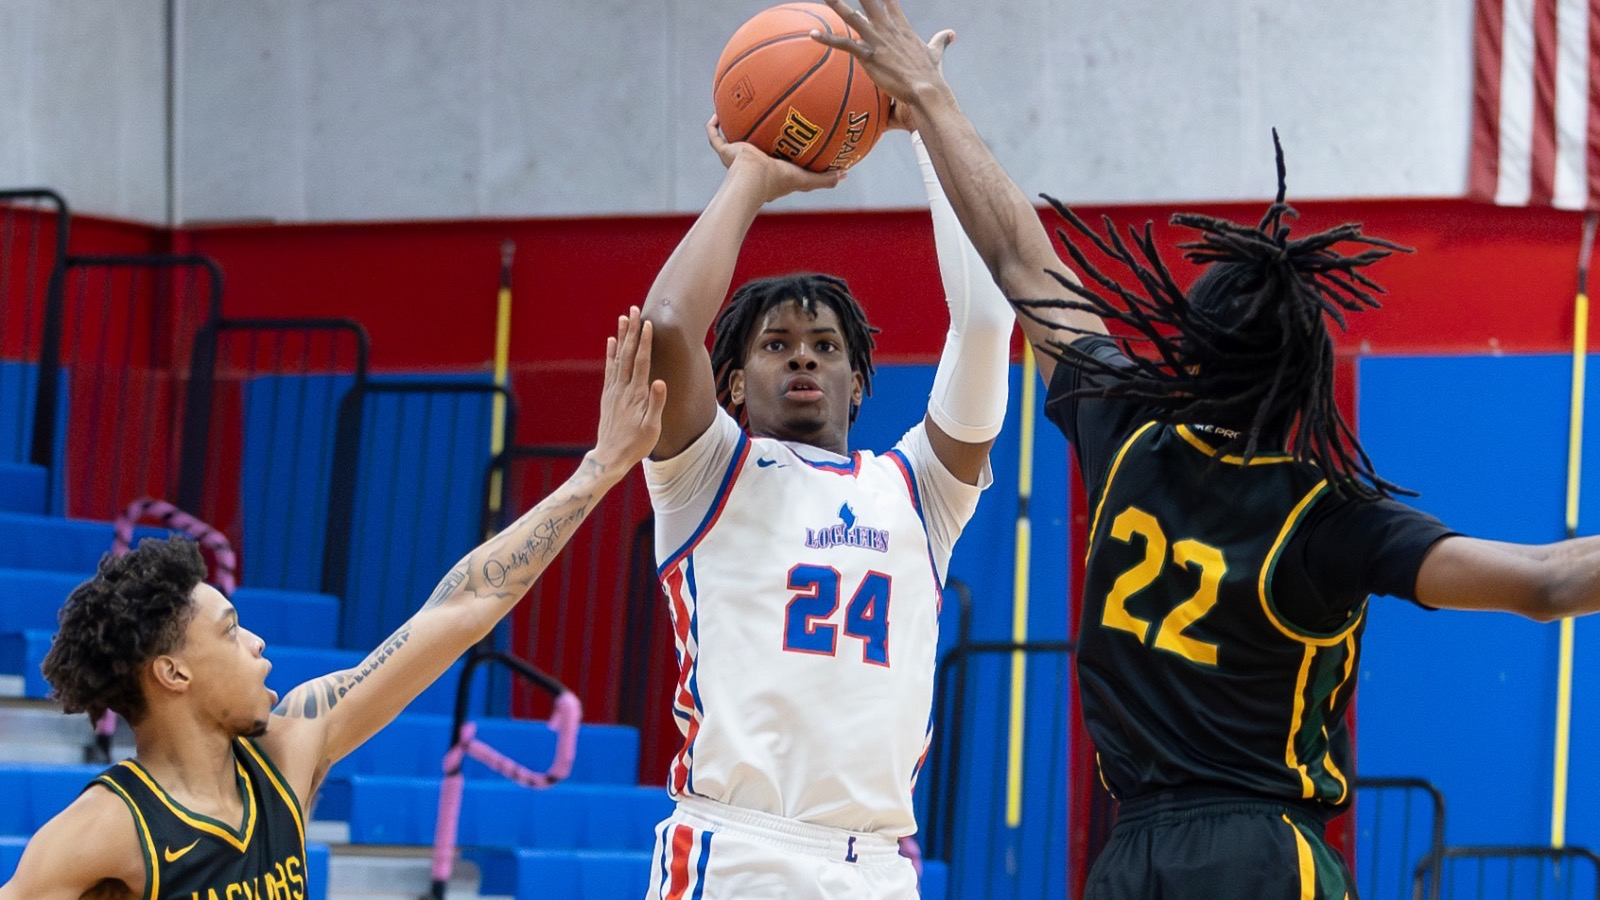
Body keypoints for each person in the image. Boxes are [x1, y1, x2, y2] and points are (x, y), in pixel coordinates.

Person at [817, 1, 1600, 896]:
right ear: (1304, 373)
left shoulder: (1125, 431)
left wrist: (933, 105)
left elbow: (1019, 256)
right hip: (1264, 855)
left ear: (1190, 345)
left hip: (1132, 858)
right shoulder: (1330, 520)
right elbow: (1546, 582)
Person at [0, 310, 666, 900]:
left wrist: (601, 468)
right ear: (173, 672)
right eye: (230, 632)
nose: (257, 644)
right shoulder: (103, 831)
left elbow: (466, 602)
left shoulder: (289, 751)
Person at [636, 62, 1013, 897]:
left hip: (877, 867)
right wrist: (750, 179)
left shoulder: (919, 490)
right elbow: (666, 332)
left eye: (826, 345)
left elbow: (987, 318)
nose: (804, 353)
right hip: (738, 852)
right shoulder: (709, 472)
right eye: (775, 343)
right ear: (732, 383)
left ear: (860, 381)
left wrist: (925, 123)